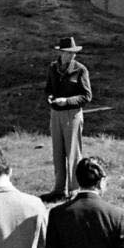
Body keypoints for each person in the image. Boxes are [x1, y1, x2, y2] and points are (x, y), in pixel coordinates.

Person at [45, 36, 92, 200]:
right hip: (55, 114)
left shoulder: (80, 70)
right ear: (61, 53)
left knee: (73, 152)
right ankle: (59, 189)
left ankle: (74, 189)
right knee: (57, 152)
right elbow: (48, 88)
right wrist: (50, 97)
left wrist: (67, 101)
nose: (71, 55)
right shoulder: (53, 68)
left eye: (73, 53)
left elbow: (86, 96)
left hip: (72, 115)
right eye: (67, 52)